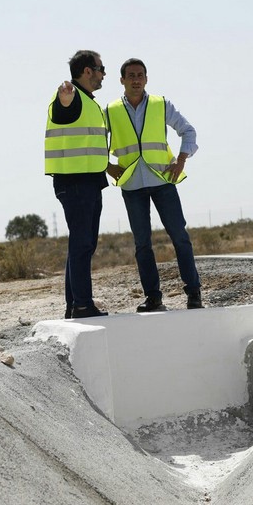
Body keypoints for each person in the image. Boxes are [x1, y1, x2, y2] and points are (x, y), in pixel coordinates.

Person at [106, 58, 202, 311]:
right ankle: (153, 298)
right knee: (142, 244)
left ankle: (194, 292)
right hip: (132, 184)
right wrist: (107, 166)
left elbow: (188, 131)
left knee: (180, 237)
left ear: (146, 79)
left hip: (162, 180)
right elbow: (94, 142)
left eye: (140, 75)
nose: (136, 80)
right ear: (122, 80)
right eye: (131, 75)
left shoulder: (161, 104)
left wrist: (181, 159)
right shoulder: (111, 110)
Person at [44, 50, 109, 318]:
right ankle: (82, 305)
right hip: (75, 182)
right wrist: (65, 98)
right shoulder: (72, 96)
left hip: (89, 180)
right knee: (82, 244)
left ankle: (75, 305)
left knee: (83, 245)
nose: (104, 74)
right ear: (87, 71)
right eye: (101, 68)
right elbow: (63, 109)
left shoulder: (89, 101)